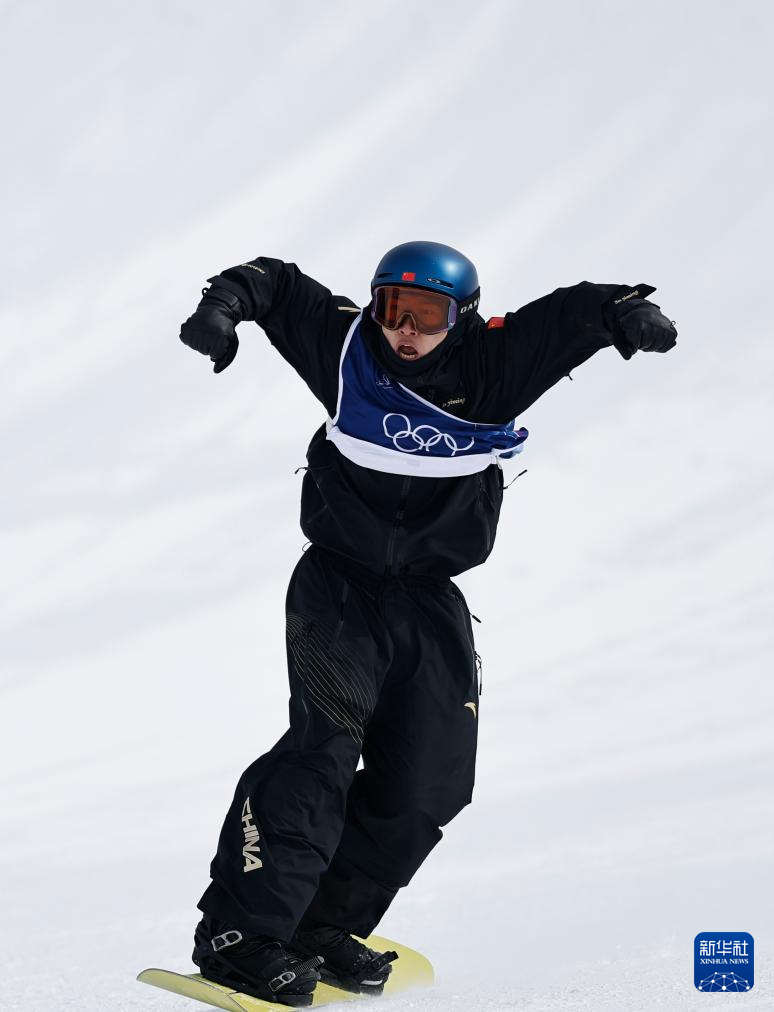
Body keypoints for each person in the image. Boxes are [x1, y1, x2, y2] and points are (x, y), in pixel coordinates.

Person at [179, 241, 677, 1005]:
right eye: (392, 309)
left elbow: (574, 313)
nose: (405, 331)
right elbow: (275, 284)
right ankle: (239, 935)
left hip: (429, 601)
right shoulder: (347, 349)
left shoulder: (496, 366)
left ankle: (320, 923)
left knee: (430, 780)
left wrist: (625, 313)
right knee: (323, 753)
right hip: (339, 589)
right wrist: (223, 307)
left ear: (464, 318)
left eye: (427, 315)